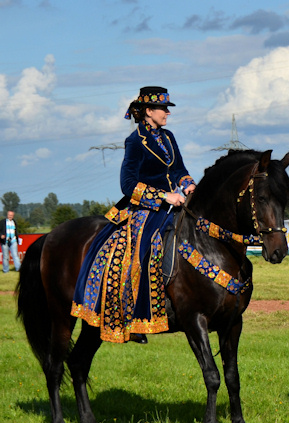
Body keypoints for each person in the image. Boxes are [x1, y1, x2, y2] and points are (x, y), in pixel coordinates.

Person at [71, 86, 196, 344]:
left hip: (172, 203)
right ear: (148, 111)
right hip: (143, 209)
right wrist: (164, 196)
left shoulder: (168, 137)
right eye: (163, 109)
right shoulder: (135, 141)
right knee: (144, 250)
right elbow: (127, 184)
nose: (167, 114)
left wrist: (189, 184)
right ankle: (134, 318)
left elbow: (178, 169)